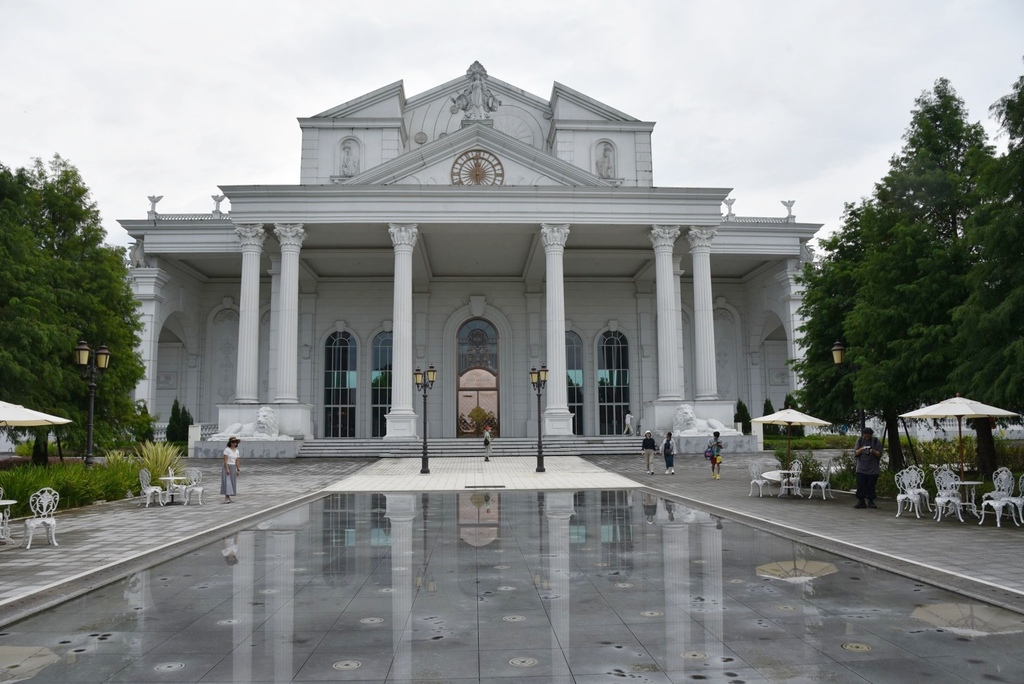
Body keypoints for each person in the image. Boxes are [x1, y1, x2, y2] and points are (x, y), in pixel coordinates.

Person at [853, 427, 883, 508]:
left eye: (868, 435)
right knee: (861, 485)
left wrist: (872, 450)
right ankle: (861, 501)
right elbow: (856, 453)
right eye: (865, 435)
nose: (866, 437)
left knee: (871, 486)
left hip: (873, 469)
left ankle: (871, 501)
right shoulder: (859, 441)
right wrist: (862, 449)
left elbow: (879, 454)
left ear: (871, 435)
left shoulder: (875, 441)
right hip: (861, 468)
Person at [221, 435, 241, 503]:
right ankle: (226, 497)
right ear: (230, 443)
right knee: (227, 482)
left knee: (232, 481)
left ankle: (229, 496)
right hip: (227, 466)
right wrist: (227, 469)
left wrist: (238, 469)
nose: (234, 443)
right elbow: (225, 460)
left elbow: (237, 461)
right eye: (233, 442)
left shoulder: (237, 451)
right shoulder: (227, 450)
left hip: (233, 466)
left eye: (235, 442)